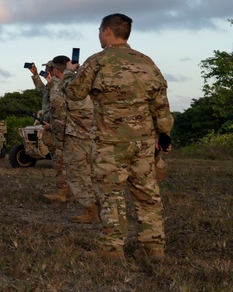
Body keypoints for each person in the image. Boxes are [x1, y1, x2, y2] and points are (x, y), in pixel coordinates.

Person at [63, 13, 174, 261]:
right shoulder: (147, 63)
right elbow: (161, 106)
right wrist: (164, 135)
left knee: (111, 195)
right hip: (143, 142)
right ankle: (153, 248)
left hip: (110, 143)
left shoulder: (98, 61)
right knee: (147, 195)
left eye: (100, 30)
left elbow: (75, 93)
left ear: (107, 31)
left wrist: (70, 74)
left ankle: (112, 250)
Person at [46, 56, 101, 224]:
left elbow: (58, 117)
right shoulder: (86, 83)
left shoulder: (60, 87)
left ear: (56, 70)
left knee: (78, 175)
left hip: (74, 137)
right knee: (94, 174)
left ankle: (90, 212)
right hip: (93, 135)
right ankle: (100, 209)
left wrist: (59, 142)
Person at [42, 59, 71, 204]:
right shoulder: (74, 83)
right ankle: (69, 192)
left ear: (55, 69)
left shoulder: (58, 86)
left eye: (49, 68)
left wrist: (51, 126)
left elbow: (58, 111)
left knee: (60, 161)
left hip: (61, 130)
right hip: (74, 130)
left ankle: (62, 193)